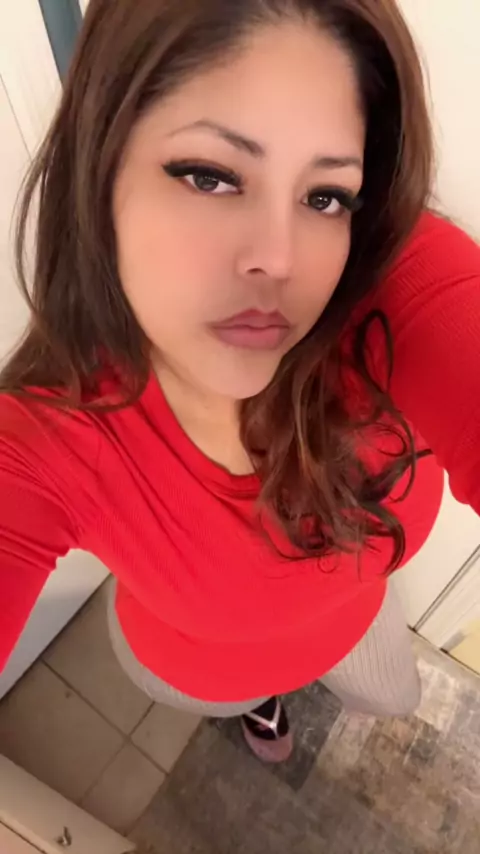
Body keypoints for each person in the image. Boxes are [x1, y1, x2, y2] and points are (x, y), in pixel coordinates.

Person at [1, 0, 479, 765]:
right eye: (211, 176)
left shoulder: (386, 285)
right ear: (100, 170)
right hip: (197, 670)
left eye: (325, 196)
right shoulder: (49, 435)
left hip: (355, 623)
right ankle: (260, 706)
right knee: (250, 699)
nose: (279, 259)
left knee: (394, 698)